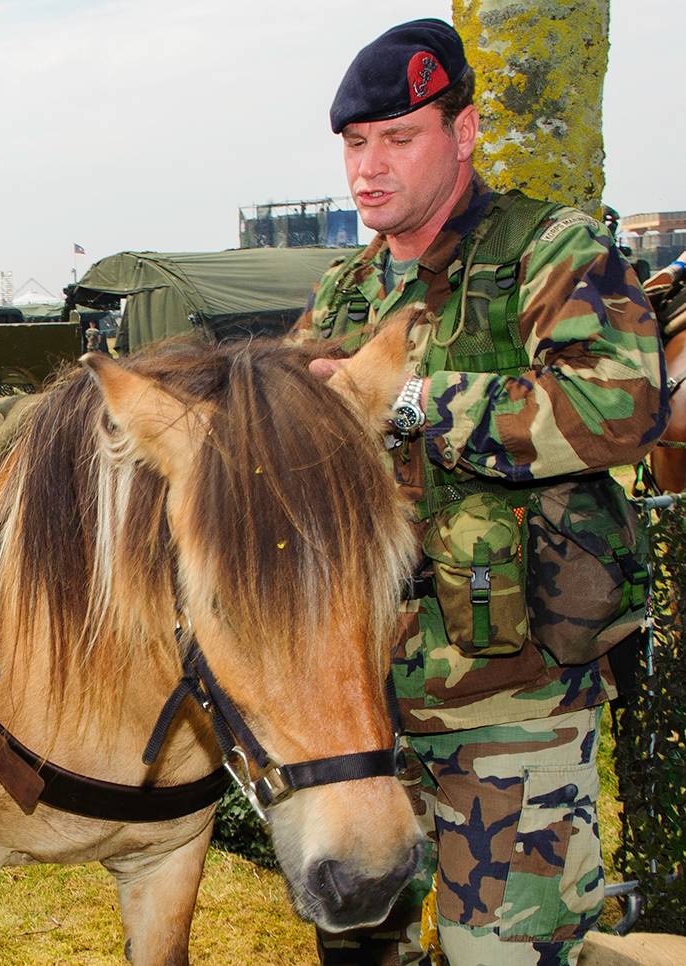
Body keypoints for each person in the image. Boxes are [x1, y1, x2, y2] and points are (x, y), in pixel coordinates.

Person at [293, 19, 667, 965]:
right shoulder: (345, 290)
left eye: (399, 138)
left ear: (462, 133)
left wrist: (413, 399)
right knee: (358, 948)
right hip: (364, 713)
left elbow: (624, 404)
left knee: (503, 955)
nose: (369, 168)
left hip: (513, 706)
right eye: (355, 143)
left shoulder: (549, 250)